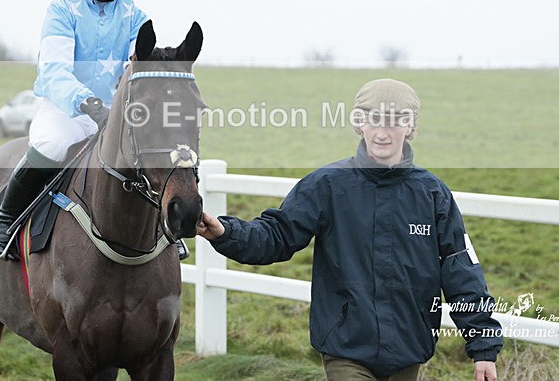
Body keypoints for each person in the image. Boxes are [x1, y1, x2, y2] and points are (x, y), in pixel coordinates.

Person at [197, 79, 502, 380]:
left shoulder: (433, 194)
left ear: (410, 127)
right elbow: (278, 235)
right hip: (346, 347)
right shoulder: (327, 185)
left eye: (394, 122)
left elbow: (461, 271)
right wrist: (226, 232)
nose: (382, 133)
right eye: (373, 120)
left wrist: (483, 347)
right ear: (359, 124)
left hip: (410, 347)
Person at [0, 0, 152, 255]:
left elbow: (135, 68)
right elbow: (54, 70)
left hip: (113, 114)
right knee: (53, 143)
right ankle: (4, 218)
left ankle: (165, 231)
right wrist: (89, 103)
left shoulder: (135, 15)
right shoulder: (63, 7)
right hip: (67, 109)